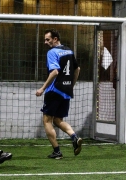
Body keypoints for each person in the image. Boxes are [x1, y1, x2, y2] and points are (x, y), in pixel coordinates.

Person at [36, 29, 82, 159]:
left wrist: (42, 88)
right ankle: (74, 137)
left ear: (55, 39)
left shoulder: (52, 52)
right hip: (66, 91)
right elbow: (77, 69)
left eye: (48, 39)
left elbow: (55, 72)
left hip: (54, 90)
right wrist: (71, 85)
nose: (45, 42)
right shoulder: (69, 51)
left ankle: (57, 151)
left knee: (47, 120)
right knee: (57, 119)